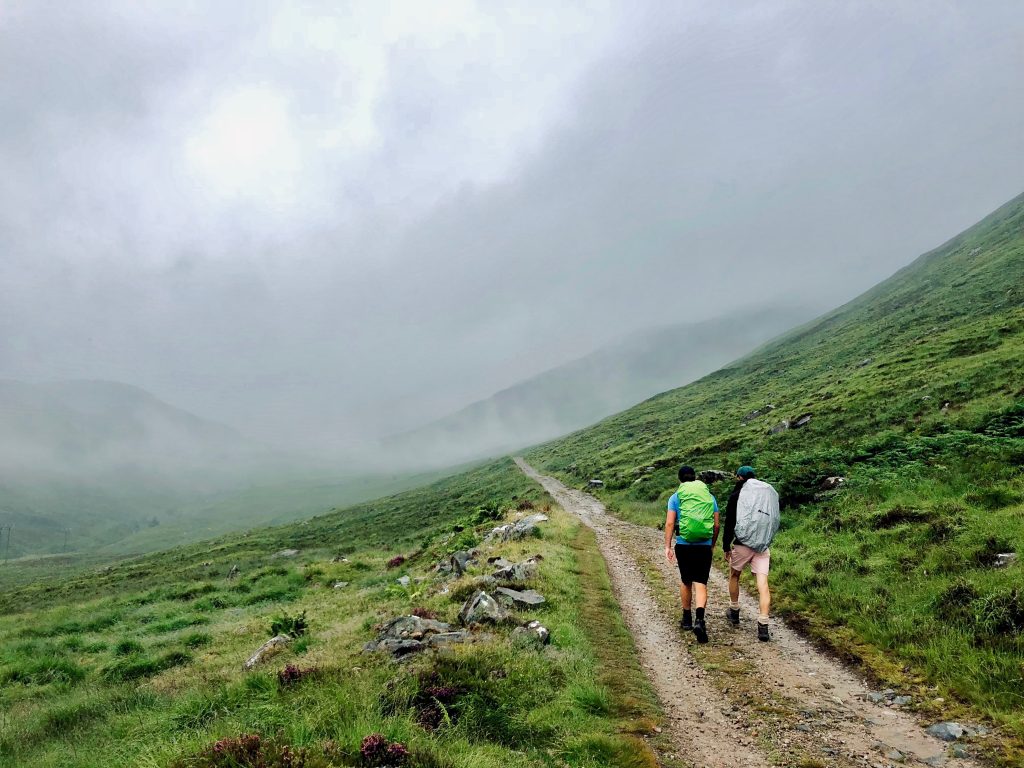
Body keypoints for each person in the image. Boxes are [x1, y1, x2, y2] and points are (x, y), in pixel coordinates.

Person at [664, 464, 719, 643]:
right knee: (701, 583)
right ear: (694, 477)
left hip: (684, 545)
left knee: (686, 581)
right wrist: (712, 544)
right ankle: (700, 620)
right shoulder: (709, 496)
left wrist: (667, 546)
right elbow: (717, 524)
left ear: (680, 479)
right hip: (703, 545)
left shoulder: (676, 497)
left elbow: (670, 523)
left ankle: (687, 619)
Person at [723, 465, 773, 642]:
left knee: (734, 575)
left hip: (742, 544)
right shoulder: (764, 495)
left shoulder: (737, 496)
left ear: (739, 478)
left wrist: (726, 546)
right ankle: (763, 624)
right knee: (763, 584)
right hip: (762, 545)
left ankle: (734, 611)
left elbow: (730, 522)